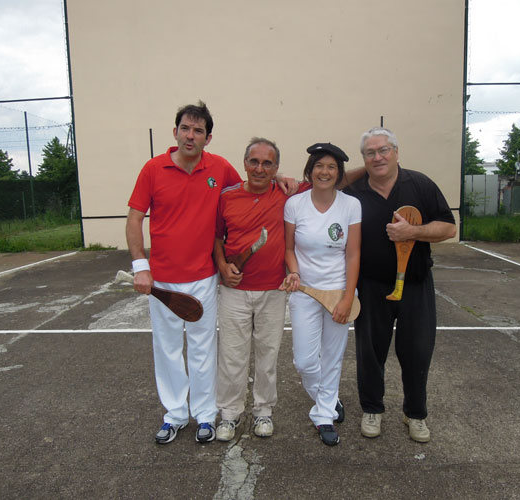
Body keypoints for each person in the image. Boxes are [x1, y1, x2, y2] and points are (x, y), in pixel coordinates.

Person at [125, 102, 295, 445]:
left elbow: (252, 182)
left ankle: (205, 416)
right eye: (185, 128)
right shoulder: (152, 169)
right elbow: (134, 219)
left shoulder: (219, 168)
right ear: (175, 132)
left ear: (208, 137)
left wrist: (278, 177)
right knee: (168, 348)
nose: (191, 135)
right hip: (161, 280)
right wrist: (141, 266)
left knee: (204, 349)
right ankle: (174, 415)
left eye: (198, 130)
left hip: (204, 277)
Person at [343, 127, 456, 443]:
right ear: (363, 158)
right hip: (371, 286)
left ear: (396, 152)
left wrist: (413, 233)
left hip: (416, 285)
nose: (378, 157)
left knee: (418, 351)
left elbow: (448, 228)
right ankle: (372, 409)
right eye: (370, 153)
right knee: (369, 352)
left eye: (383, 151)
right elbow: (325, 180)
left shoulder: (419, 184)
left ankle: (415, 414)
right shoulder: (354, 191)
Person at [212, 138, 312, 442]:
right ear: (244, 164)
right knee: (232, 356)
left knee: (268, 355)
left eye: (267, 163)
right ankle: (229, 414)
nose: (259, 168)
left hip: (274, 290)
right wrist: (222, 266)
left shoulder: (288, 194)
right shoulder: (227, 196)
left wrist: (372, 166)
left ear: (277, 168)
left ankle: (263, 411)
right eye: (254, 161)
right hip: (234, 291)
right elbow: (217, 239)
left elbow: (332, 178)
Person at [280, 143, 361, 446]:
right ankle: (327, 398)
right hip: (304, 292)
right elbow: (289, 249)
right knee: (304, 361)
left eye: (331, 167)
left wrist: (347, 297)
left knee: (332, 357)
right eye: (319, 166)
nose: (324, 172)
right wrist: (294, 271)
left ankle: (324, 414)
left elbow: (353, 255)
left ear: (339, 173)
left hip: (338, 292)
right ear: (310, 170)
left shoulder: (351, 205)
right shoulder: (295, 204)